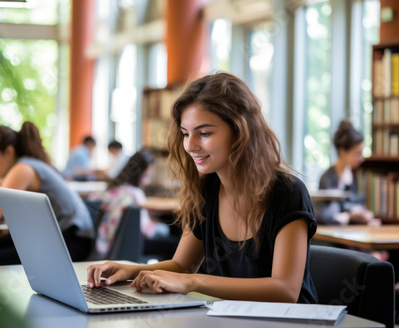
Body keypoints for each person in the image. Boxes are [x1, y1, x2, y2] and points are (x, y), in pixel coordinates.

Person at [87, 72, 318, 303]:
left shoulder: (287, 192)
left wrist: (193, 282)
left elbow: (285, 291)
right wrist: (131, 270)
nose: (190, 146)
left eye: (204, 133)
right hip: (231, 322)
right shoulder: (207, 190)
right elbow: (182, 265)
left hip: (290, 325)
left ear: (241, 131)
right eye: (185, 134)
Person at [0, 121, 95, 263]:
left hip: (70, 241)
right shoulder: (17, 169)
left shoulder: (23, 169)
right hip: (52, 237)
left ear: (8, 152)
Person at [89, 149, 175, 259]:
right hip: (134, 245)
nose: (148, 180)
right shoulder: (136, 194)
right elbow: (147, 232)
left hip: (109, 247)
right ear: (143, 173)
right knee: (176, 243)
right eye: (148, 176)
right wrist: (164, 228)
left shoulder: (114, 190)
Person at [315, 119, 380, 226]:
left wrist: (364, 215)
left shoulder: (354, 175)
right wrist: (350, 215)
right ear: (342, 152)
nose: (361, 158)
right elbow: (325, 216)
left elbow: (357, 205)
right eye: (357, 153)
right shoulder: (327, 178)